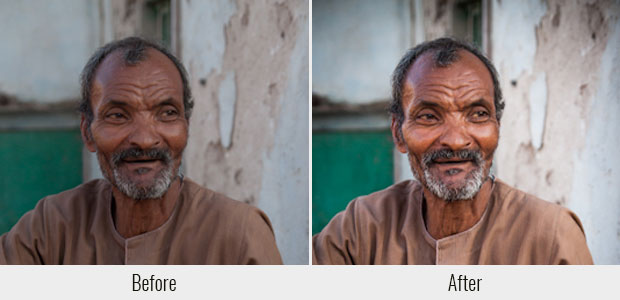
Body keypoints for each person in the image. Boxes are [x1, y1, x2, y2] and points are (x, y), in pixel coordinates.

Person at [0, 37, 282, 264]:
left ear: (186, 125)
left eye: (167, 113)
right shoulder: (51, 227)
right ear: (88, 132)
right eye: (118, 116)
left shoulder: (240, 235)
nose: (145, 140)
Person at [312, 37, 593, 265]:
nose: (456, 141)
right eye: (429, 117)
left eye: (478, 114)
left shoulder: (552, 237)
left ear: (498, 125)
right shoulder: (361, 229)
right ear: (398, 132)